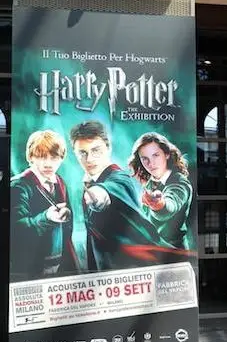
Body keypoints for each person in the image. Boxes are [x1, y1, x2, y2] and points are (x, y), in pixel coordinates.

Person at [70, 120, 189, 271]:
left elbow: (171, 202)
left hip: (151, 264)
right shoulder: (150, 183)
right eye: (82, 153)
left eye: (96, 150)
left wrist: (160, 205)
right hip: (115, 271)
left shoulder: (119, 179)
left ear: (108, 148)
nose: (89, 159)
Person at [10, 130, 78, 280]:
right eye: (41, 157)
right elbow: (16, 230)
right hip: (30, 269)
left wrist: (66, 215)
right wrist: (46, 217)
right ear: (31, 157)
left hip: (59, 265)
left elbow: (68, 229)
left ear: (61, 158)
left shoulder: (60, 182)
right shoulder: (18, 185)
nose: (48, 163)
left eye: (54, 157)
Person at [128, 132, 193, 249]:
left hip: (175, 253)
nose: (151, 163)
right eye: (145, 158)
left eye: (155, 155)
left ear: (167, 154)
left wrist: (158, 204)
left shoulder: (179, 182)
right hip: (153, 251)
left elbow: (171, 205)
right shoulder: (149, 183)